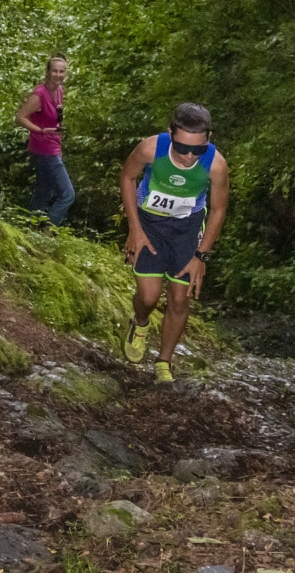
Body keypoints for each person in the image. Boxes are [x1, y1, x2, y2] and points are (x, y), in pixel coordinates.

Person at [119, 103, 229, 383]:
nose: (189, 156)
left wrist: (201, 256)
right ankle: (140, 323)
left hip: (187, 230)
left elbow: (218, 210)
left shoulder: (216, 164)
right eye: (182, 148)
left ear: (209, 138)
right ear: (171, 134)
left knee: (180, 298)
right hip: (150, 225)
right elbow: (128, 177)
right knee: (148, 297)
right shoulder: (150, 148)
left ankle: (164, 361)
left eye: (198, 149)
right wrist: (135, 229)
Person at [15, 54, 75, 227]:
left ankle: (29, 229)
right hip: (44, 149)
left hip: (53, 146)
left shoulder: (59, 90)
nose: (58, 75)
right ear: (48, 72)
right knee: (67, 195)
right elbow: (20, 118)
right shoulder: (39, 94)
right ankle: (48, 230)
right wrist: (40, 130)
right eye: (55, 71)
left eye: (62, 71)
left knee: (44, 192)